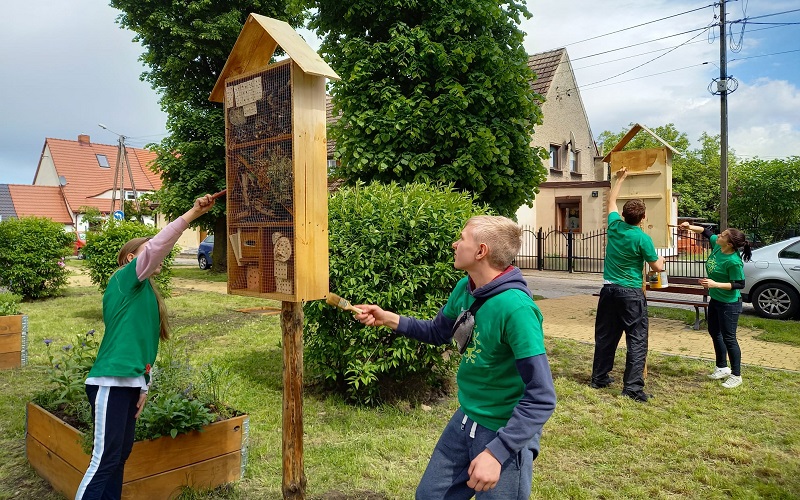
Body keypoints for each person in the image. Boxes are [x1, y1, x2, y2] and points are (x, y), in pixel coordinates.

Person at [355, 215, 556, 499]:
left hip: (504, 432)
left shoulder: (516, 309)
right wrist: (387, 318)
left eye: (462, 238)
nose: (454, 244)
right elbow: (438, 332)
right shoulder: (466, 289)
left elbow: (542, 395)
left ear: (480, 251)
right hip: (466, 420)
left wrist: (497, 453)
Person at [75, 194, 216, 500]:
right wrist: (192, 213)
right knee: (103, 461)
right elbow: (157, 245)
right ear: (131, 259)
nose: (159, 254)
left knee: (118, 457)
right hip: (109, 382)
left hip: (128, 383)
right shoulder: (124, 281)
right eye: (146, 251)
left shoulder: (146, 296)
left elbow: (144, 347)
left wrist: (143, 386)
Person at [590, 168, 665, 402]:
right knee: (637, 339)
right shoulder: (642, 238)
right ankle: (632, 388)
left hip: (608, 290)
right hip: (630, 293)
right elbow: (657, 268)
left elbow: (610, 200)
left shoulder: (614, 226)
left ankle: (599, 378)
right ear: (643, 218)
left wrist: (620, 178)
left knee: (606, 336)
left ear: (623, 215)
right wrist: (660, 259)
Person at [681, 222, 752, 388]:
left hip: (730, 304)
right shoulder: (718, 246)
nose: (718, 235)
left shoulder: (733, 261)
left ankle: (736, 375)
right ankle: (722, 367)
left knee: (729, 338)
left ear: (729, 244)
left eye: (723, 235)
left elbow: (739, 284)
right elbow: (705, 232)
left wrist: (714, 284)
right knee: (714, 332)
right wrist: (688, 227)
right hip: (716, 300)